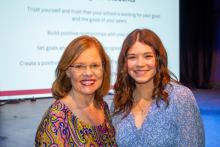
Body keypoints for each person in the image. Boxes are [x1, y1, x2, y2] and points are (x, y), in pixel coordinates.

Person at [111, 28, 205, 146]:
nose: (140, 63)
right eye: (132, 57)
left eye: (148, 56)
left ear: (158, 59)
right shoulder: (120, 102)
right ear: (125, 63)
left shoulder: (180, 97)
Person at [35, 35, 117, 146]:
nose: (88, 73)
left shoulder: (102, 106)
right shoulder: (56, 119)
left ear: (103, 69)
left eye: (95, 65)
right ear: (67, 71)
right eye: (79, 66)